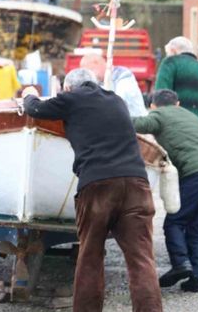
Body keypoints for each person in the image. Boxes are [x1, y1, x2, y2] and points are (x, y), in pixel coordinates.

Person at [22, 68, 163, 312]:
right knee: (141, 259)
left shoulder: (71, 99)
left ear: (68, 88)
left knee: (90, 258)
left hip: (98, 185)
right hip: (137, 184)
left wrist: (29, 94)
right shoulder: (116, 100)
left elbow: (35, 109)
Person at [133, 89, 198, 294]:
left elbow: (135, 125)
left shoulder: (158, 115)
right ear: (178, 103)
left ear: (153, 106)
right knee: (197, 229)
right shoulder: (191, 115)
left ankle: (180, 263)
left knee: (174, 222)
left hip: (197, 175)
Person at [156, 36, 198, 145]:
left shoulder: (170, 62)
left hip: (183, 131)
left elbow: (161, 98)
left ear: (173, 51)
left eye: (167, 53)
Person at [80, 53, 148, 117]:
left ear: (96, 62)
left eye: (90, 70)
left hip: (138, 124)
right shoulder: (97, 82)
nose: (90, 75)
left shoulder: (123, 74)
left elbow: (118, 100)